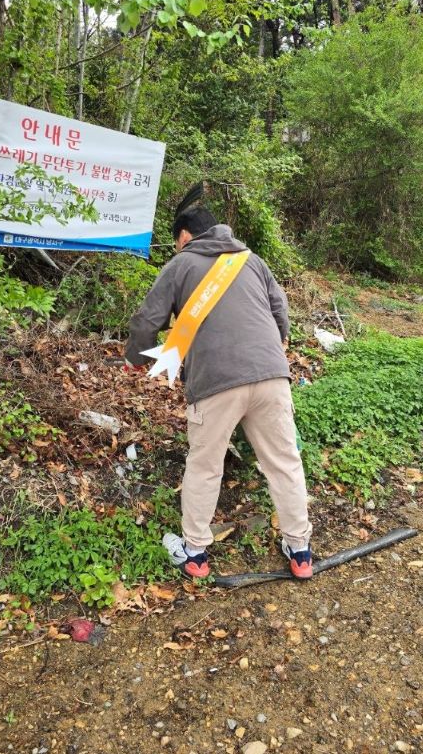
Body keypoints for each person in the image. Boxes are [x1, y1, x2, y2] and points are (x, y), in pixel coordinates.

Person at [125, 205, 313, 579]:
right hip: (272, 375)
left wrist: (135, 358)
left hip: (215, 381)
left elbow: (148, 321)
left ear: (183, 237)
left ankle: (194, 553)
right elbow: (281, 313)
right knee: (284, 461)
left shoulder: (181, 265)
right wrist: (266, 354)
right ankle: (300, 549)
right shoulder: (253, 260)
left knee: (205, 465)